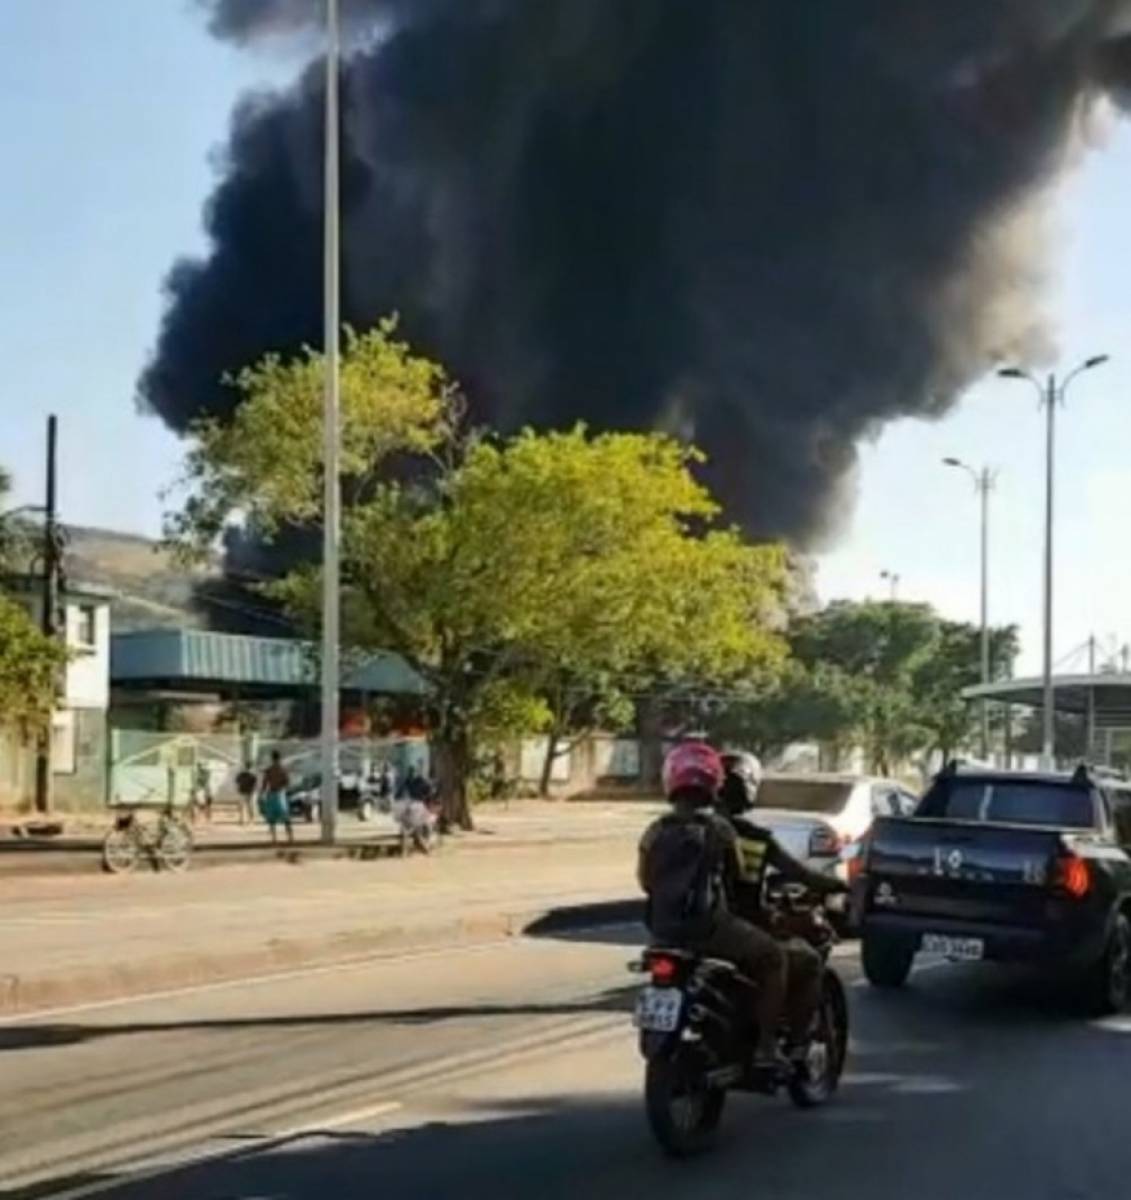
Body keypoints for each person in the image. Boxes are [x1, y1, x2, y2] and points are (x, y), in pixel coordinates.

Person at [638, 742, 841, 1071]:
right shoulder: (722, 830)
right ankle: (765, 1047)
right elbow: (736, 877)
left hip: (661, 932)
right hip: (710, 929)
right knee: (773, 958)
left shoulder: (655, 830)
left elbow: (645, 880)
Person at [718, 750, 845, 1059]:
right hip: (734, 931)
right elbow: (799, 873)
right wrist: (838, 884)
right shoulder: (749, 837)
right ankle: (776, 1044)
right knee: (805, 961)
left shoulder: (672, 827)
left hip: (676, 933)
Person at [259, 751, 294, 845]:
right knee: (285, 816)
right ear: (279, 758)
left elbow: (264, 783)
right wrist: (283, 787)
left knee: (272, 817)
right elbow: (287, 782)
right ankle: (290, 838)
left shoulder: (269, 770)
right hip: (280, 793)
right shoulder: (283, 769)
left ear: (272, 758)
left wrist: (261, 794)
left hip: (271, 794)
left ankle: (274, 839)